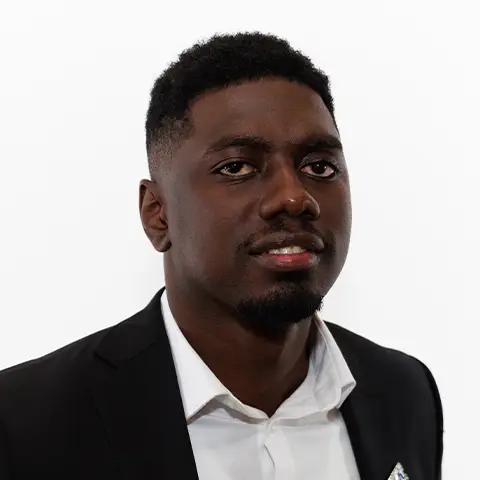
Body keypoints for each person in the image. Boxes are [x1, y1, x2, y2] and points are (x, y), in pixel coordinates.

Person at [0, 32, 443, 479]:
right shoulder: (25, 422)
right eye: (237, 167)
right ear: (157, 214)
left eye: (319, 166)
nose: (294, 197)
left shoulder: (404, 392)